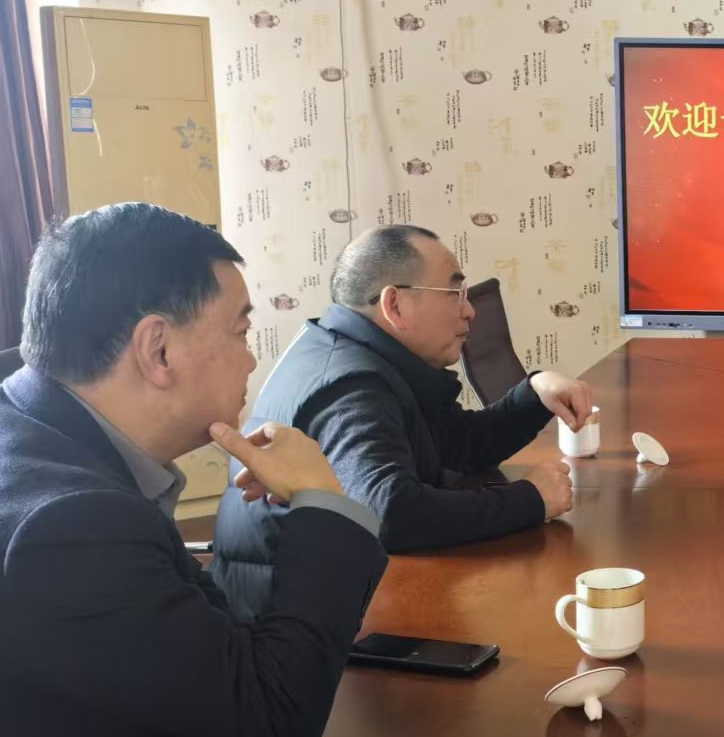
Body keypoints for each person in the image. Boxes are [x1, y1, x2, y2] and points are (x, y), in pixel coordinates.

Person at [0, 204, 387, 737]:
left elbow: (200, 635)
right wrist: (325, 502)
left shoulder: (2, 421)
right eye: (241, 330)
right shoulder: (69, 524)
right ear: (158, 349)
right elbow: (275, 717)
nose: (252, 360)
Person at [212, 226, 587, 615]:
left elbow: (458, 445)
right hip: (290, 623)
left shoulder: (370, 357)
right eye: (454, 293)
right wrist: (530, 500)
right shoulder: (353, 387)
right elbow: (391, 513)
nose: (469, 310)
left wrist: (533, 395)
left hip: (323, 597)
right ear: (395, 305)